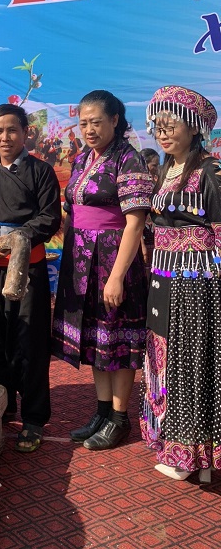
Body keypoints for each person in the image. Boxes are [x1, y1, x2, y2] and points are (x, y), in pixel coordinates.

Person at [52, 90, 153, 450]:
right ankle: (102, 411)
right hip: (81, 260)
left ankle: (120, 418)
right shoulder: (81, 158)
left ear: (114, 120)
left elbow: (135, 223)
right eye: (83, 123)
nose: (89, 130)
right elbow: (72, 209)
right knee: (96, 336)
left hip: (114, 258)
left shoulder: (129, 158)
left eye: (96, 122)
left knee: (118, 339)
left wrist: (117, 276)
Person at [0, 103, 61, 452]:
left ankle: (34, 418)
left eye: (12, 130)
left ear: (25, 133)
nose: (5, 137)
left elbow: (49, 218)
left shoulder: (41, 172)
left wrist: (16, 238)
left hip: (27, 271)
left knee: (30, 343)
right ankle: (3, 407)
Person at [140, 85, 221, 483]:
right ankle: (185, 454)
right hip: (163, 276)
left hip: (196, 283)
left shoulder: (211, 172)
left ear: (194, 126)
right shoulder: (163, 171)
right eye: (158, 126)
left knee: (192, 363)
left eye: (171, 124)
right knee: (166, 361)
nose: (163, 133)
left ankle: (195, 454)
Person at [140, 148, 160, 271]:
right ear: (144, 163)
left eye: (157, 165)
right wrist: (141, 243)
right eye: (154, 165)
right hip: (143, 232)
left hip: (155, 231)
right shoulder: (137, 184)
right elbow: (137, 217)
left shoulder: (156, 181)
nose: (157, 168)